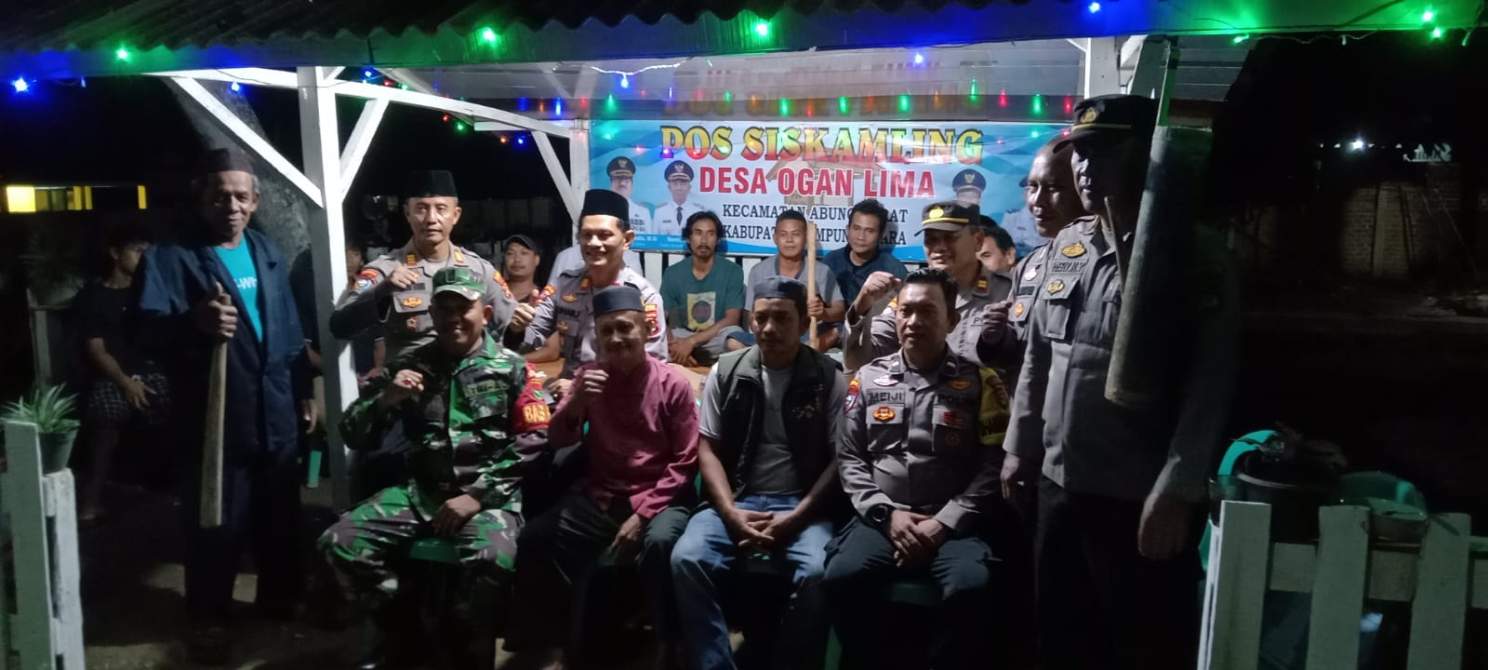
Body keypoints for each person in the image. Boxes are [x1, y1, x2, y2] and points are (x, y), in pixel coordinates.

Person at [1001, 94, 1238, 670]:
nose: (1084, 167)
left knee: (1139, 645)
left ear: (1147, 156)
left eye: (1104, 151)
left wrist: (1178, 487)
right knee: (1059, 638)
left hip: (1134, 492)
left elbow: (1210, 381)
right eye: (1080, 153)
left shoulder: (1191, 253)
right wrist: (1018, 448)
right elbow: (1038, 356)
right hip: (1059, 483)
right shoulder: (1068, 246)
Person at [134, 148, 317, 664]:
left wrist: (303, 387)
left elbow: (288, 326)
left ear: (255, 201)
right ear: (201, 198)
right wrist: (191, 323)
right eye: (220, 196)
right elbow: (143, 333)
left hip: (275, 405)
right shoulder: (171, 257)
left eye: (240, 196)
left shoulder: (266, 249)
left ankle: (280, 598)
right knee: (216, 519)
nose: (231, 206)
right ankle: (209, 614)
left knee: (279, 512)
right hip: (215, 413)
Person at [319, 266, 550, 670]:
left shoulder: (513, 368)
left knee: (492, 559)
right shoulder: (411, 365)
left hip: (487, 500)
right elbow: (351, 431)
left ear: (485, 314)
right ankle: (404, 627)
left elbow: (534, 440)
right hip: (421, 495)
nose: (453, 318)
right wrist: (386, 400)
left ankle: (469, 649)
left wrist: (476, 496)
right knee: (339, 543)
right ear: (432, 314)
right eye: (443, 308)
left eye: (463, 308)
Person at [824, 268, 1010, 670]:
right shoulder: (868, 380)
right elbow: (850, 457)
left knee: (972, 587)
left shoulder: (981, 383)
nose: (913, 321)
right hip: (881, 518)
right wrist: (886, 514)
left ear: (952, 320)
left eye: (927, 311)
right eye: (905, 311)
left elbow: (992, 465)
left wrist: (944, 523)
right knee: (841, 576)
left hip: (953, 523)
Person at [509, 285, 699, 670]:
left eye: (625, 328)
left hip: (660, 496)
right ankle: (551, 642)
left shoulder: (672, 384)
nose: (616, 338)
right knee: (535, 538)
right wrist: (577, 402)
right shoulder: (589, 377)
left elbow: (685, 460)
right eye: (606, 330)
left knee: (661, 543)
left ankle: (668, 641)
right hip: (602, 495)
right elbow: (558, 439)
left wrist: (642, 515)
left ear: (646, 330)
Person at [670, 277, 845, 670]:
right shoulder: (727, 371)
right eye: (761, 318)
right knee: (687, 558)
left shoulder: (826, 376)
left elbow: (839, 460)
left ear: (802, 323)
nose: (768, 328)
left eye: (782, 318)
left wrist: (796, 517)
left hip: (802, 504)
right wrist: (730, 512)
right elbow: (707, 448)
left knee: (818, 571)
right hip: (738, 499)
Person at [330, 169, 518, 362]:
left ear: (455, 215)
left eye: (441, 209)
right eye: (421, 209)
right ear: (407, 213)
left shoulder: (479, 270)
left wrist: (519, 326)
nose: (431, 219)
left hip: (465, 376)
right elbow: (340, 326)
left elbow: (509, 327)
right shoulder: (385, 270)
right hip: (410, 378)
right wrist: (381, 291)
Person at [842, 202, 1016, 376]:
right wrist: (861, 306)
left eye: (950, 237)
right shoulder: (910, 293)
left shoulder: (1009, 292)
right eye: (931, 239)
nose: (939, 247)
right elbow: (859, 360)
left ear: (977, 240)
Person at [519, 189, 668, 386]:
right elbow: (530, 339)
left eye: (604, 235)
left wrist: (579, 387)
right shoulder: (564, 285)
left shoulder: (644, 298)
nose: (594, 243)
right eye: (586, 235)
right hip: (566, 394)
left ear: (627, 240)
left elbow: (652, 374)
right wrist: (517, 327)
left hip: (618, 398)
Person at [75, 221, 170, 521]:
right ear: (115, 253)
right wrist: (125, 382)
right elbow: (96, 349)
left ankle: (176, 495)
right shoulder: (93, 296)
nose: (144, 257)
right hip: (113, 375)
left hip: (152, 372)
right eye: (137, 250)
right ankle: (91, 502)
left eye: (148, 251)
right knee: (106, 416)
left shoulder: (152, 292)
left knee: (180, 407)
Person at [1007, 140, 1087, 342]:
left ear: (1083, 189)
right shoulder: (1029, 266)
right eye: (1033, 187)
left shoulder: (1105, 262)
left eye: (1052, 188)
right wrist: (997, 338)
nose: (1037, 201)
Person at [739, 210, 844, 350]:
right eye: (783, 234)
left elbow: (840, 310)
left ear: (806, 238)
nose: (789, 240)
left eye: (796, 234)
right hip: (770, 334)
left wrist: (823, 313)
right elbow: (750, 315)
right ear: (775, 238)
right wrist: (761, 325)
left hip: (806, 336)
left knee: (839, 330)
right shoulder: (759, 271)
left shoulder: (822, 271)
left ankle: (802, 351)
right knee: (732, 338)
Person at [660, 211, 745, 366]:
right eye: (698, 233)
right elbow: (661, 316)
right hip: (683, 335)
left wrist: (692, 342)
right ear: (689, 238)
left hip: (716, 336)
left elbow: (731, 319)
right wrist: (674, 345)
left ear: (717, 239)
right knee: (653, 340)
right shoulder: (672, 273)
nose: (704, 240)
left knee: (736, 342)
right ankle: (684, 358)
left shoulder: (732, 271)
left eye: (710, 234)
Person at [820, 198, 908, 307]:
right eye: (856, 228)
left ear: (881, 235)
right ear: (848, 229)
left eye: (869, 231)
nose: (861, 237)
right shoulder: (831, 262)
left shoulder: (894, 270)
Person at [651, 160, 705, 237]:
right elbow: (654, 239)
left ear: (689, 187)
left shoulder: (698, 212)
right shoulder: (659, 212)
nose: (679, 188)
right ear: (669, 187)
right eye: (675, 183)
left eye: (683, 183)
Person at [607, 156, 655, 233]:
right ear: (611, 183)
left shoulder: (643, 213)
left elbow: (649, 238)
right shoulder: (601, 211)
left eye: (626, 180)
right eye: (618, 178)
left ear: (631, 184)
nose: (622, 183)